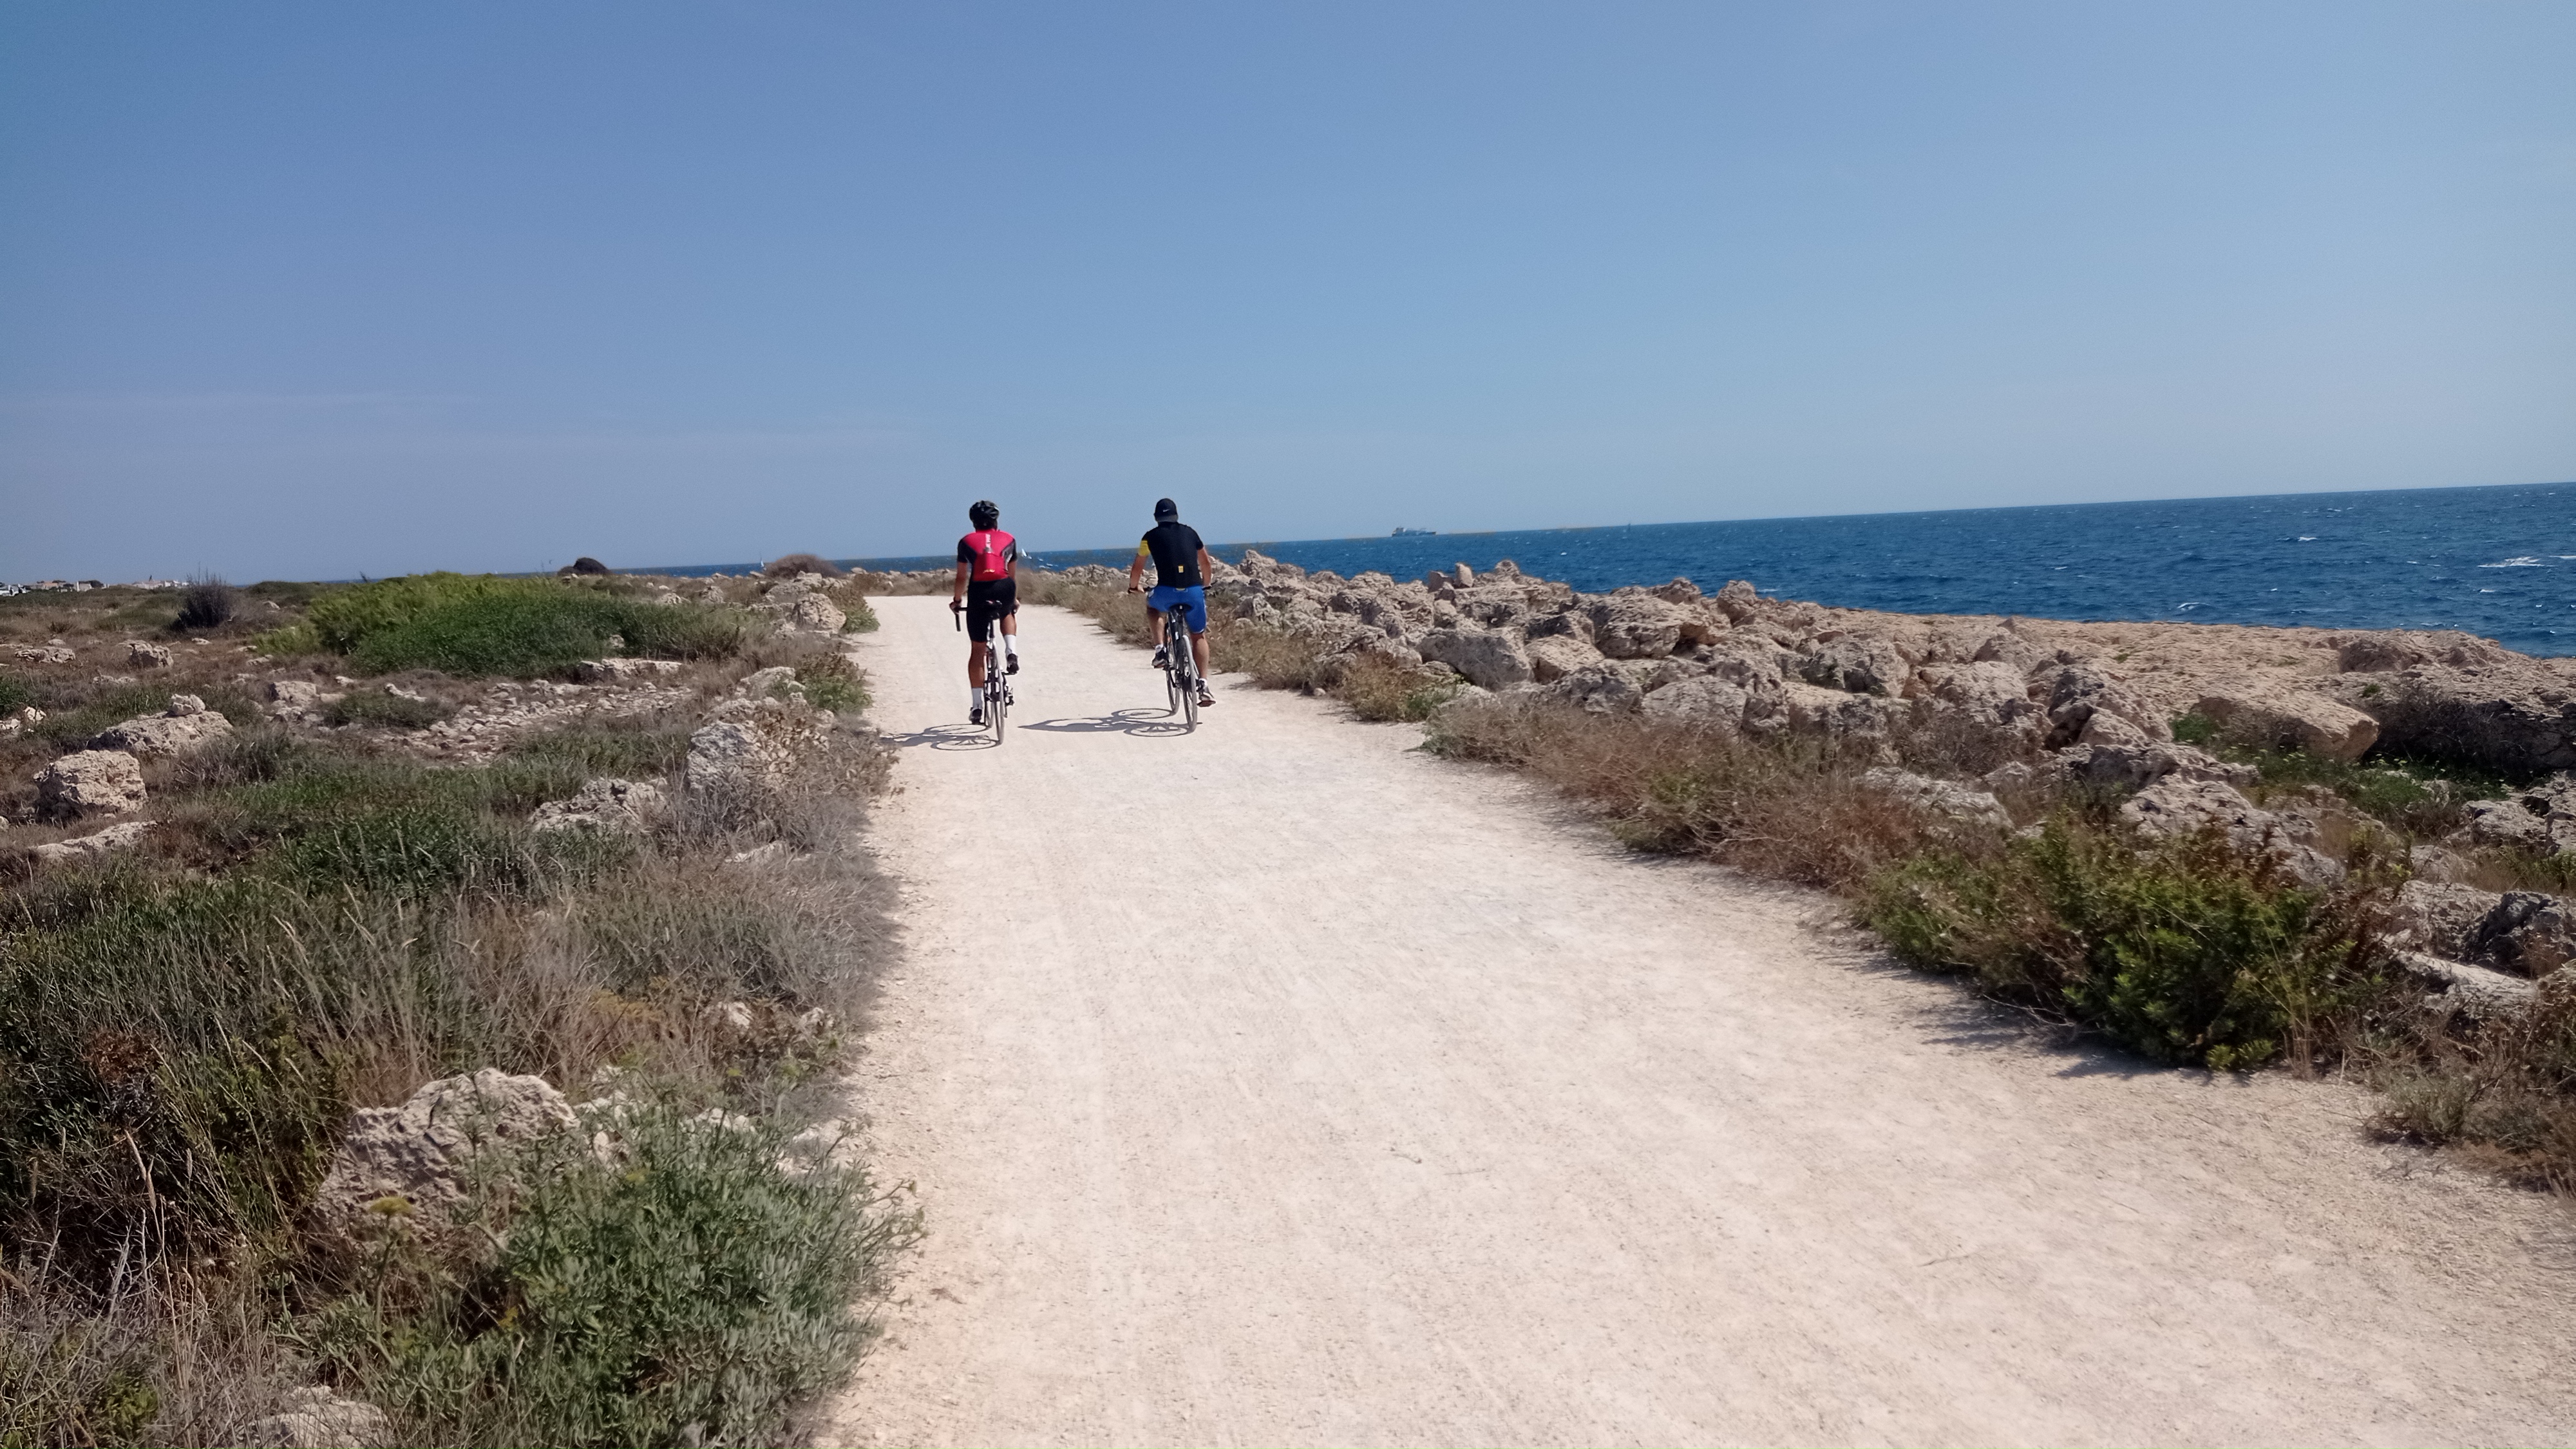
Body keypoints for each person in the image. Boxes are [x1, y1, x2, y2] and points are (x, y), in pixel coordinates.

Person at [1125, 497, 1217, 709]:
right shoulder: (1191, 533)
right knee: (1198, 636)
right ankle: (1203, 685)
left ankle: (1160, 650)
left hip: (1166, 593)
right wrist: (1206, 584)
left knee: (1153, 607)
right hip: (1193, 592)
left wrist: (1133, 587)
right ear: (1176, 515)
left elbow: (1138, 566)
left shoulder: (1149, 537)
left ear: (1156, 518)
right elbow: (1205, 563)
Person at [949, 499, 1019, 725]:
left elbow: (961, 577)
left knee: (978, 650)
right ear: (996, 520)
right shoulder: (1009, 539)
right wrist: (1013, 598)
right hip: (1005, 587)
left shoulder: (965, 542)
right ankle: (1011, 651)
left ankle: (978, 706)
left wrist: (957, 600)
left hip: (979, 591)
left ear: (973, 522)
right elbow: (1011, 572)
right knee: (1008, 613)